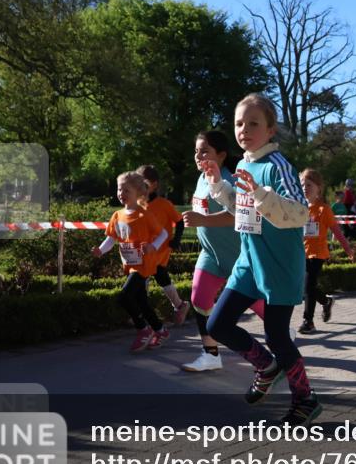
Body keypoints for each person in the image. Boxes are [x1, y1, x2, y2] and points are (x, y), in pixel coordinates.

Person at [203, 93, 321, 425]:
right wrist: (218, 185)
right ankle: (267, 367)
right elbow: (242, 212)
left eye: (254, 123)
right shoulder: (242, 165)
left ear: (270, 130)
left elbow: (299, 214)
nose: (244, 129)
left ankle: (305, 399)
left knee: (277, 336)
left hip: (279, 267)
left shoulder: (278, 166)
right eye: (239, 123)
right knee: (217, 324)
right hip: (249, 263)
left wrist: (259, 194)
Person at [180, 131, 270, 373]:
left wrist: (203, 220)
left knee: (258, 304)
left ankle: (280, 336)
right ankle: (211, 355)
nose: (198, 155)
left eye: (204, 151)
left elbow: (239, 215)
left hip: (236, 254)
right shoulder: (202, 178)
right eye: (196, 151)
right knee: (199, 299)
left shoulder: (233, 179)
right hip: (211, 254)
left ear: (221, 154)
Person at [92, 171, 169, 352]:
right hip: (130, 264)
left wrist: (152, 246)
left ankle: (143, 329)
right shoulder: (117, 215)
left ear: (138, 193)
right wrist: (100, 250)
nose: (121, 194)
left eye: (127, 190)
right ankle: (161, 330)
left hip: (143, 264)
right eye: (120, 190)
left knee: (124, 297)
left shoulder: (144, 215)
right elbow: (111, 238)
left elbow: (163, 234)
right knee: (141, 301)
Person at [298, 168, 355, 334]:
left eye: (309, 184)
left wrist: (348, 249)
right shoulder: (299, 208)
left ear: (318, 188)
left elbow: (337, 232)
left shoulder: (324, 210)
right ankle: (326, 301)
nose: (305, 188)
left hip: (317, 254)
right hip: (302, 253)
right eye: (302, 184)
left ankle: (308, 321)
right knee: (306, 286)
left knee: (308, 286)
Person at [136, 164, 190, 328]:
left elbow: (179, 222)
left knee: (153, 275)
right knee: (155, 278)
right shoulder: (137, 204)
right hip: (143, 249)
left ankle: (144, 314)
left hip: (161, 248)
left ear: (155, 185)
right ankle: (180, 305)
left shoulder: (164, 204)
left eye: (145, 183)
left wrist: (177, 239)